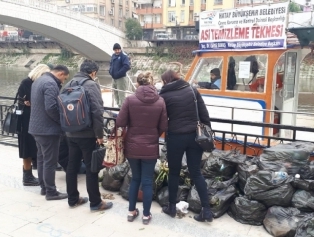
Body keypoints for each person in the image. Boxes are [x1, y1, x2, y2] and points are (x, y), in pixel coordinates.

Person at [159, 70, 213, 222]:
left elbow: (162, 120)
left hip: (175, 137)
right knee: (196, 172)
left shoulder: (164, 95)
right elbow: (204, 114)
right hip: (195, 137)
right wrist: (207, 131)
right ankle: (206, 210)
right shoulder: (192, 90)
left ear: (166, 81)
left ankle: (171, 206)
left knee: (174, 172)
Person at [116, 72, 167, 225]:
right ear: (151, 83)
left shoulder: (130, 99)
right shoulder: (160, 101)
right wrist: (153, 135)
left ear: (137, 84)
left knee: (135, 179)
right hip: (150, 147)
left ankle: (131, 212)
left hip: (132, 146)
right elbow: (164, 126)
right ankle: (146, 215)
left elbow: (120, 121)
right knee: (147, 181)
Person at [64, 60, 113, 211]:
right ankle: (96, 202)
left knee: (72, 166)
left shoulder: (68, 84)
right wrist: (99, 134)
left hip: (70, 132)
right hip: (87, 133)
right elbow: (97, 112)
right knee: (92, 168)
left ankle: (72, 199)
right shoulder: (91, 85)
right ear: (93, 73)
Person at [29, 65, 69, 201]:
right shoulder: (51, 83)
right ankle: (51, 192)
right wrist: (61, 122)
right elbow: (51, 107)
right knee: (50, 162)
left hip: (36, 128)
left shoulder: (39, 80)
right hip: (48, 130)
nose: (63, 82)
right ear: (60, 73)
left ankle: (44, 188)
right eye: (64, 78)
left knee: (41, 159)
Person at [17, 64, 50, 186]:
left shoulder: (28, 82)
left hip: (28, 120)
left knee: (30, 147)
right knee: (27, 148)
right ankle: (27, 176)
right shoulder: (28, 83)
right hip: (26, 121)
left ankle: (29, 174)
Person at [109, 43, 131, 108]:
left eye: (118, 49)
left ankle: (123, 109)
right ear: (114, 50)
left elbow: (126, 66)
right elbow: (111, 64)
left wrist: (119, 73)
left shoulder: (124, 56)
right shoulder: (113, 56)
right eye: (116, 50)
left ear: (120, 49)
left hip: (121, 78)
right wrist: (110, 71)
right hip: (114, 78)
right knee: (115, 93)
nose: (117, 51)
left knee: (121, 95)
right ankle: (119, 107)